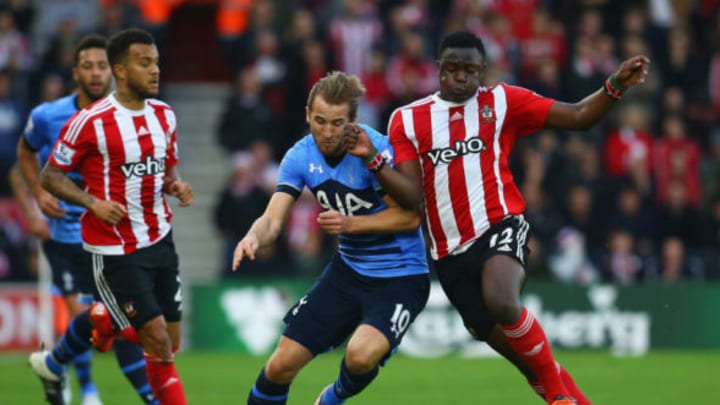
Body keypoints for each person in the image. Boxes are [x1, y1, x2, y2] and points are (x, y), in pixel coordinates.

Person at [381, 31, 649, 404]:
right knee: (530, 364)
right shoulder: (406, 120)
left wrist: (614, 85)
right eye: (453, 68)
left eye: (470, 70)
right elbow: (410, 197)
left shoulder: (502, 101)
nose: (461, 77)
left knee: (502, 301)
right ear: (438, 68)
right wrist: (376, 165)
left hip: (499, 224)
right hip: (448, 254)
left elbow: (578, 116)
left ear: (483, 71)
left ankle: (558, 398)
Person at [233, 71, 430, 405]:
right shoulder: (300, 156)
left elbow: (410, 217)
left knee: (360, 356)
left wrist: (350, 225)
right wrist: (253, 237)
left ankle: (333, 397)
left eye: (337, 123)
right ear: (308, 115)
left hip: (401, 277)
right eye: (320, 121)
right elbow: (273, 217)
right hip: (348, 272)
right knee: (280, 365)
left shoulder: (376, 148)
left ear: (353, 121)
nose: (327, 132)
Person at [35, 28, 192, 405]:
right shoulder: (91, 120)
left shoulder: (165, 115)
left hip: (160, 238)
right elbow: (50, 176)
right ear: (120, 71)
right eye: (144, 63)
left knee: (170, 341)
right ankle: (108, 320)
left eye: (156, 62)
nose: (155, 70)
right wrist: (92, 202)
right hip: (114, 248)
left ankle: (105, 320)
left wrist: (176, 185)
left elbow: (166, 169)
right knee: (154, 337)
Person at [18, 34, 156, 405]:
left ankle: (54, 365)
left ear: (113, 72)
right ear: (75, 72)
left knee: (119, 319)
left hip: (110, 238)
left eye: (102, 67)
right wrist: (38, 193)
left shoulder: (127, 115)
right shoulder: (48, 116)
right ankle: (91, 388)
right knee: (97, 314)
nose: (96, 74)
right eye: (88, 66)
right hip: (65, 237)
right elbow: (25, 155)